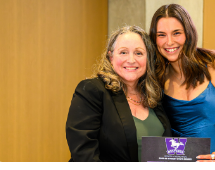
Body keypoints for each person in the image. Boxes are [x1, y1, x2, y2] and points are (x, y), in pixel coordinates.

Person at [149, 4, 215, 161]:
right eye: (161, 35)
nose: (169, 42)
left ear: (188, 34)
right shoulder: (157, 78)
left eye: (176, 33)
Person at [68, 25, 173, 161]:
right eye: (123, 52)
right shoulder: (92, 90)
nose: (131, 60)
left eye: (139, 53)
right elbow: (83, 153)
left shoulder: (156, 96)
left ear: (148, 59)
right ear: (110, 57)